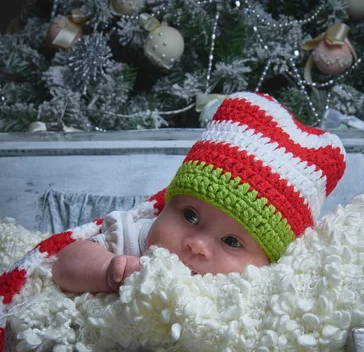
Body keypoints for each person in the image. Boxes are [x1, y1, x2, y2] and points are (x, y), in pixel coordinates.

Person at [52, 91, 346, 293]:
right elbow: (64, 264)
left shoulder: (254, 289)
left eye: (232, 241)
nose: (196, 245)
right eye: (190, 215)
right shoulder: (135, 240)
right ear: (169, 203)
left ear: (268, 264)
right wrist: (106, 271)